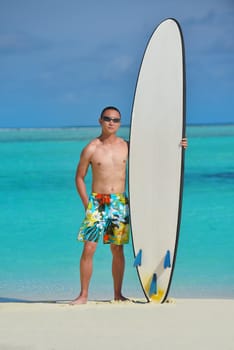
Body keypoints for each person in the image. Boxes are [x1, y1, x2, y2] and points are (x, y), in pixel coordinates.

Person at [70, 106, 187, 305]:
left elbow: (154, 155)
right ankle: (83, 295)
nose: (111, 122)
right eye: (107, 118)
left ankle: (118, 294)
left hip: (119, 202)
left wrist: (178, 145)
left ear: (119, 123)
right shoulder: (91, 148)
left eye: (115, 120)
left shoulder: (127, 146)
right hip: (98, 202)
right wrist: (87, 203)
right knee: (89, 248)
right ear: (100, 121)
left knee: (117, 250)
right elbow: (79, 178)